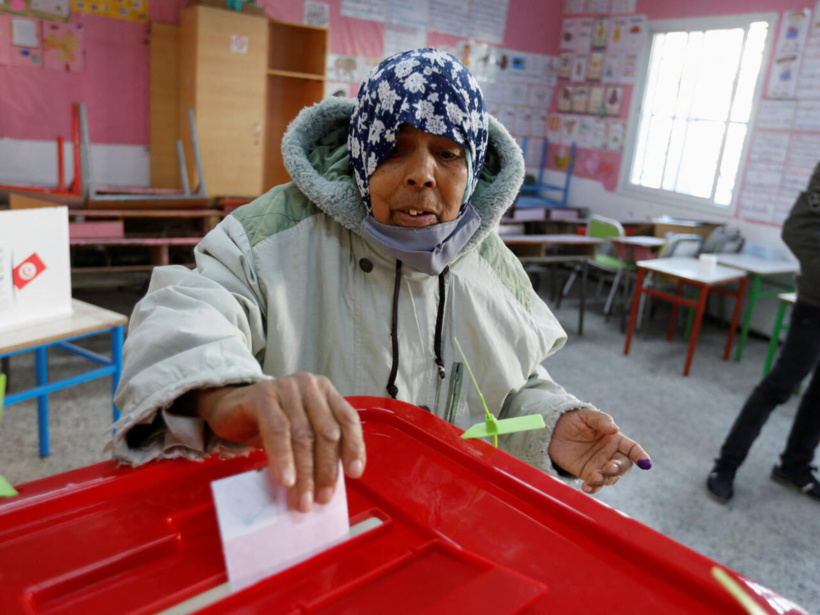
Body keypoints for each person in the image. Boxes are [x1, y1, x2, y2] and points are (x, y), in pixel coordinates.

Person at [112, 49, 650, 512]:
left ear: (472, 166)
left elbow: (507, 389)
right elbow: (185, 308)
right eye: (394, 148)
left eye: (448, 153)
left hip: (433, 515)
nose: (422, 173)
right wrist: (223, 390)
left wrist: (551, 424)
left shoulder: (489, 262)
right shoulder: (274, 233)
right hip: (301, 508)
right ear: (362, 152)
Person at [707, 161, 820, 503]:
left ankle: (795, 466)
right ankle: (726, 465)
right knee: (779, 386)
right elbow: (798, 229)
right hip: (816, 305)